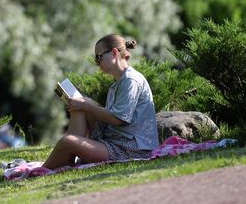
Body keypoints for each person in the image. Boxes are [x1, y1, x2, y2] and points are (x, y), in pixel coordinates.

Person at [42, 34, 159, 169]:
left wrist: (88, 106)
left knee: (67, 141)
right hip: (118, 142)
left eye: (99, 57)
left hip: (132, 149)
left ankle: (40, 171)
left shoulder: (131, 81)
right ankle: (68, 156)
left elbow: (118, 120)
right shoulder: (119, 83)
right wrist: (86, 104)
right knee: (80, 106)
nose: (97, 63)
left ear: (114, 52)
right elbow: (112, 119)